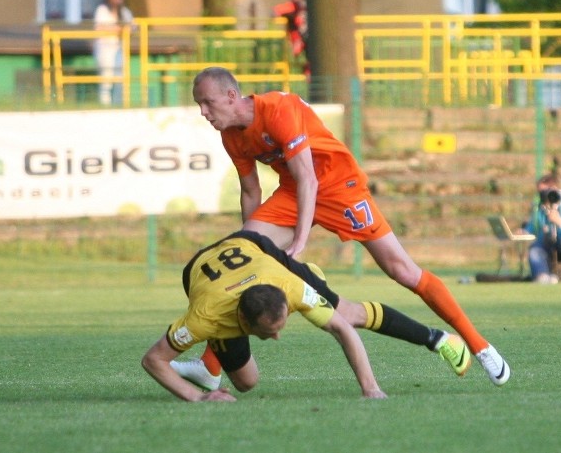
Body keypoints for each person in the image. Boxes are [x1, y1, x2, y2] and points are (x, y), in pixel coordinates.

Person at [186, 67, 510, 387]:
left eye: (207, 102)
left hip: (340, 187)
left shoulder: (278, 110)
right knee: (239, 253)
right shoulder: (230, 135)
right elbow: (250, 191)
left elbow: (308, 178)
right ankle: (210, 367)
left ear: (231, 96)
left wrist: (299, 240)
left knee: (403, 271)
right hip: (293, 193)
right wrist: (254, 246)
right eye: (199, 104)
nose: (203, 112)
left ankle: (479, 345)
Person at [141, 230, 471, 402]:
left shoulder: (291, 289)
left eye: (281, 325)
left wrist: (370, 388)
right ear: (243, 323)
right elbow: (153, 360)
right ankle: (209, 372)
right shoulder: (204, 319)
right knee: (246, 383)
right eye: (269, 332)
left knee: (348, 314)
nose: (278, 336)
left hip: (258, 252)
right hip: (200, 274)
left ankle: (437, 338)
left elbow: (342, 329)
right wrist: (199, 399)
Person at [93, 0, 133, 106]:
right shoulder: (102, 10)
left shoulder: (125, 12)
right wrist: (118, 28)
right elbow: (99, 27)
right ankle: (105, 104)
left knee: (121, 77)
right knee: (107, 77)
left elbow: (132, 27)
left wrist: (121, 29)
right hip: (105, 48)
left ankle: (119, 104)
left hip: (120, 48)